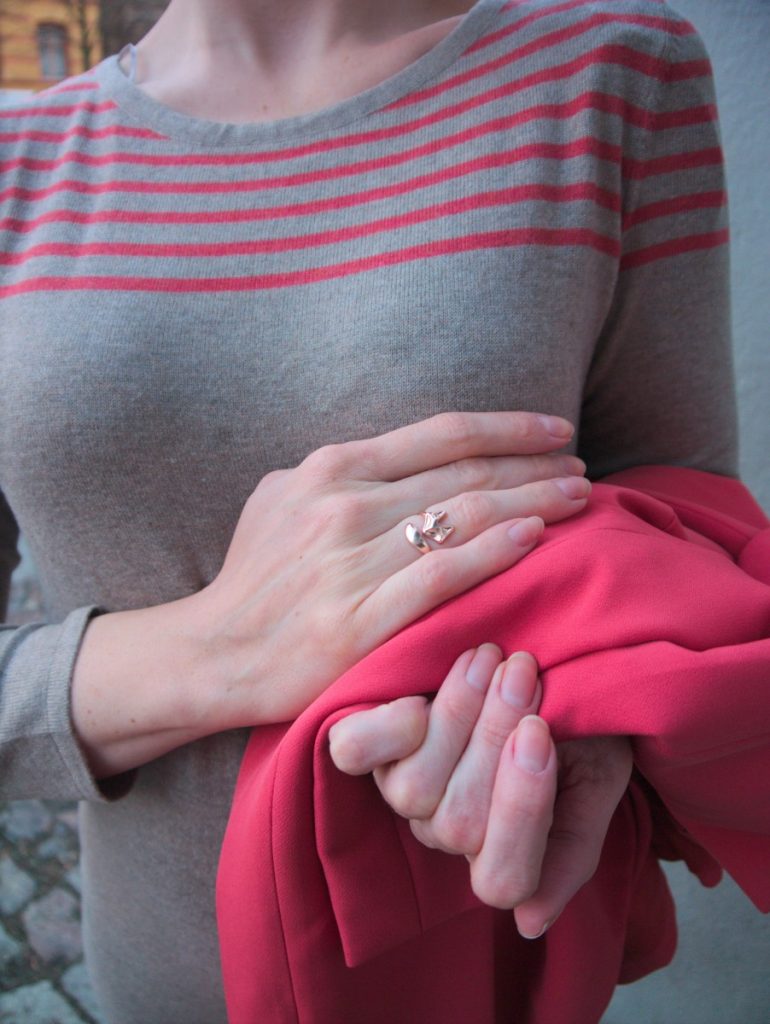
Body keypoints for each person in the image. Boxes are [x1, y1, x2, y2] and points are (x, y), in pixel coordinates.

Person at [0, 0, 737, 1020]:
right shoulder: (18, 160)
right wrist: (212, 649)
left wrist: (589, 715)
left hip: (478, 970)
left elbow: (682, 535)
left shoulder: (611, 70)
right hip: (151, 980)